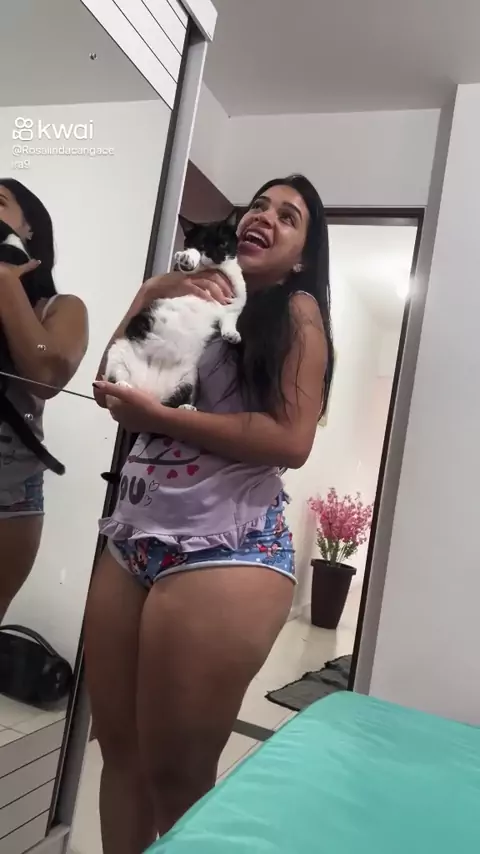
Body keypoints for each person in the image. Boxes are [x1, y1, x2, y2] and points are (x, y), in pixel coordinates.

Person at [85, 174, 334, 854]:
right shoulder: (188, 295)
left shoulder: (296, 311)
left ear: (303, 257)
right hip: (132, 539)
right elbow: (110, 386)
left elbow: (292, 441)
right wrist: (154, 289)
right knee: (119, 753)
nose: (265, 217)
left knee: (178, 776)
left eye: (289, 217)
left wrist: (163, 418)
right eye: (260, 205)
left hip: (226, 549)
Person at [0, 179, 88, 619]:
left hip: (8, 493)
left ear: (28, 229)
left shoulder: (62, 308)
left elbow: (46, 375)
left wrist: (5, 284)